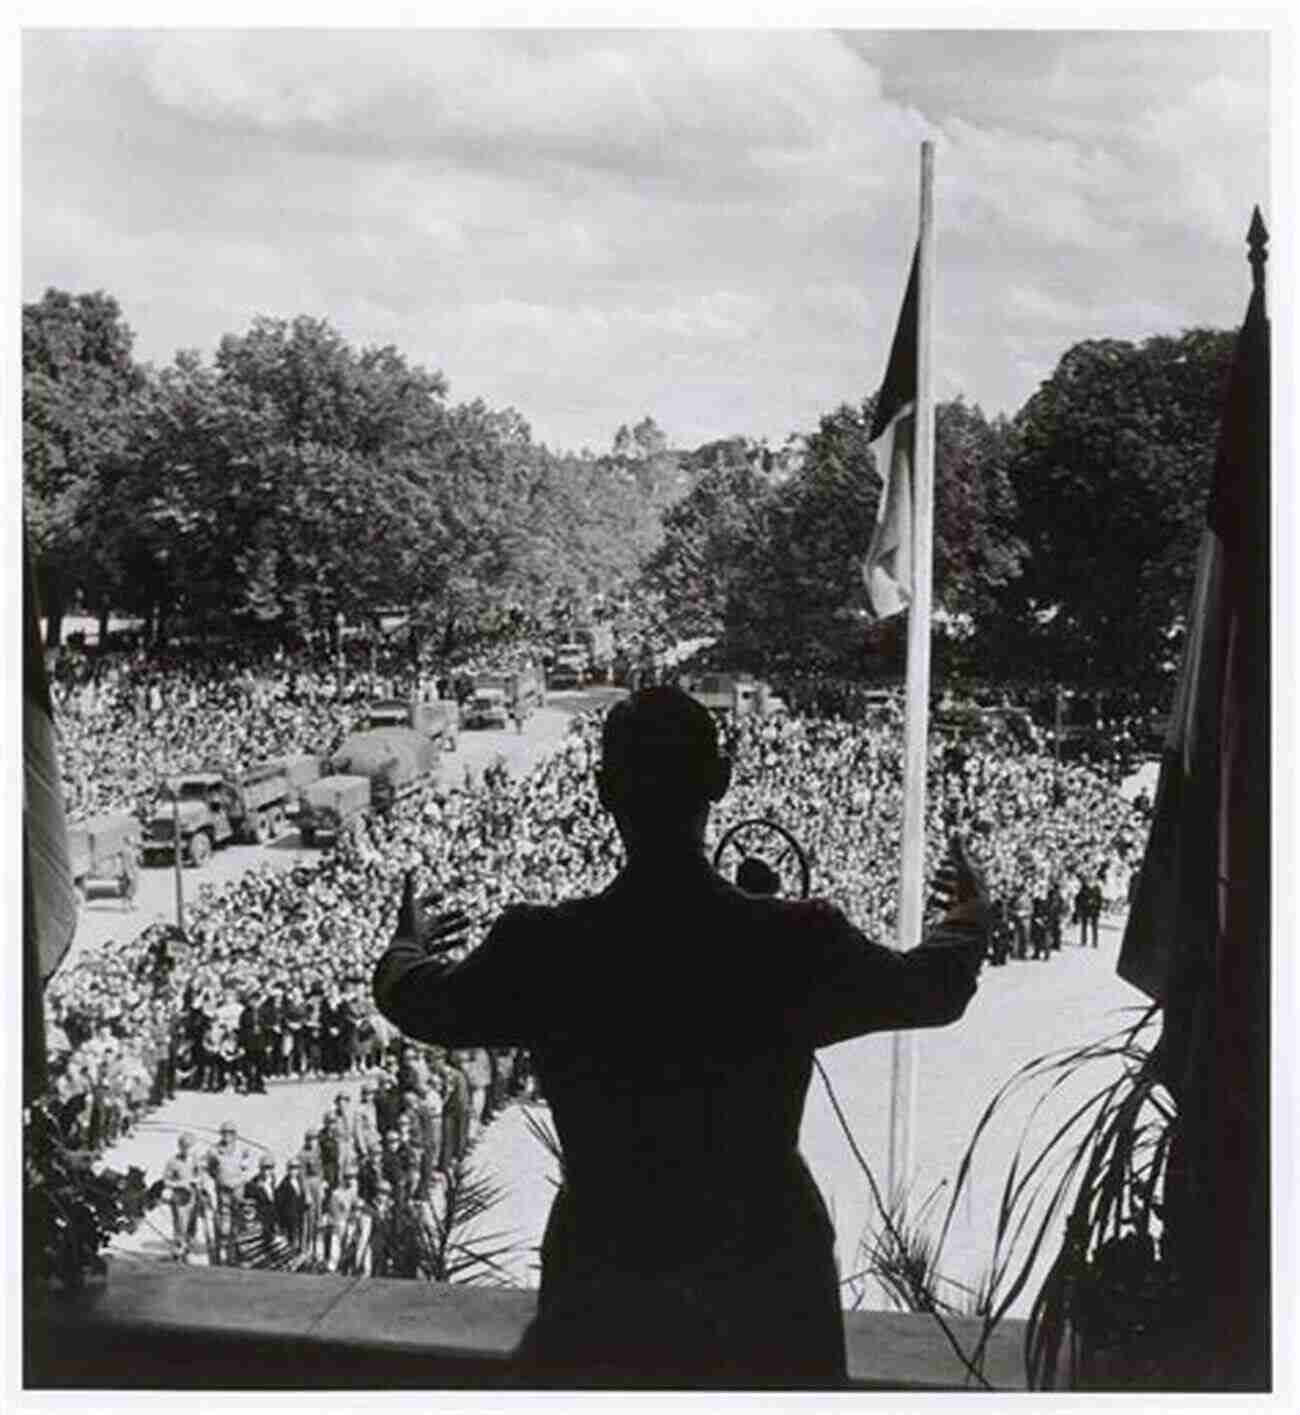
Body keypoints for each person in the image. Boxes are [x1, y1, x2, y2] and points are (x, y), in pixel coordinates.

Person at [373, 686, 989, 1389]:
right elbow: (933, 989)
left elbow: (417, 1001)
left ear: (603, 788)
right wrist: (968, 918)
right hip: (766, 1281)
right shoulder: (793, 940)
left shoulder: (542, 948)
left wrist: (406, 945)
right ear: (721, 780)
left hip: (609, 1275)